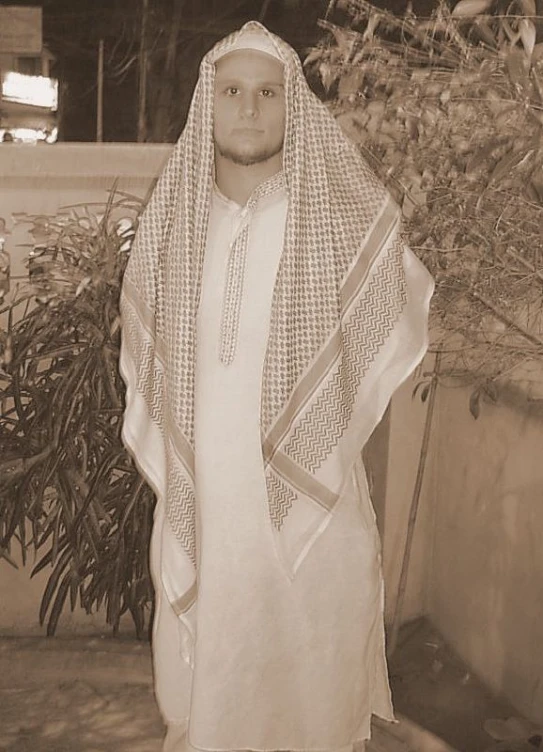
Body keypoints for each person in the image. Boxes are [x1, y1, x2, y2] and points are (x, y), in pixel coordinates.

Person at [119, 20, 434, 752]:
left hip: (309, 501)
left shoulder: (335, 222)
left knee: (314, 693)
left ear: (294, 106)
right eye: (232, 91)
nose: (250, 109)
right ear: (209, 105)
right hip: (207, 507)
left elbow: (396, 298)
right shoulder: (171, 230)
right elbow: (150, 367)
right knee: (208, 699)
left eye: (268, 92)